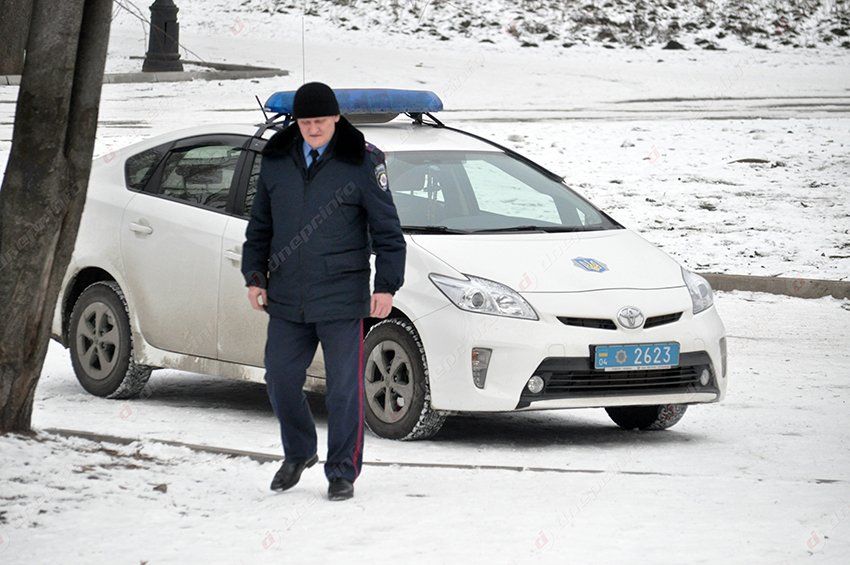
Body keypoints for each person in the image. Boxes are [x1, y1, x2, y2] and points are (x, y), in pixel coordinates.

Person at [241, 82, 406, 501]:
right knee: (279, 379)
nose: (313, 129)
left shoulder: (361, 161)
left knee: (343, 390)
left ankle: (342, 471)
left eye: (320, 121)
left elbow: (388, 232)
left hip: (341, 295)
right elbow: (260, 225)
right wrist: (254, 275)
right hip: (287, 294)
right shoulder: (277, 159)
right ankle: (299, 452)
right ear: (296, 122)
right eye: (305, 122)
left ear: (335, 118)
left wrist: (386, 286)